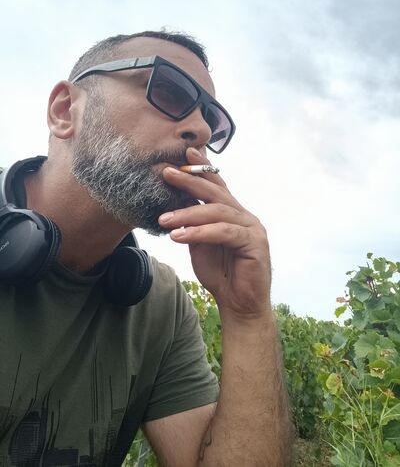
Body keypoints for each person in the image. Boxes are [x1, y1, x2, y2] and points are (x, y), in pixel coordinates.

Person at [0, 31, 293, 466]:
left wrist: (247, 316)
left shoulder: (161, 304)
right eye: (168, 90)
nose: (200, 130)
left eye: (211, 120)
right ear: (65, 111)